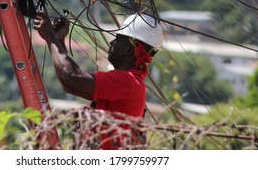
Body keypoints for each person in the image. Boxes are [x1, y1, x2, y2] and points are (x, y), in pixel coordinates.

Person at [33, 10, 163, 149]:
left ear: (130, 49)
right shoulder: (128, 83)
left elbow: (72, 75)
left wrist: (50, 37)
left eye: (118, 38)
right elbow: (70, 85)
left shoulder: (126, 82)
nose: (112, 42)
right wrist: (57, 40)